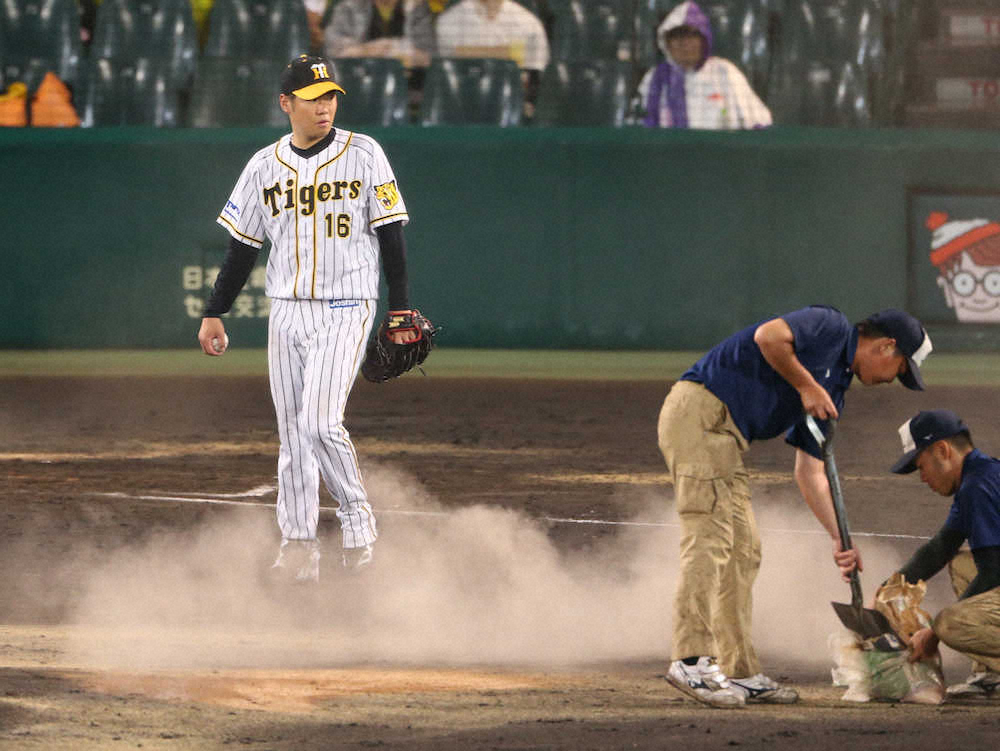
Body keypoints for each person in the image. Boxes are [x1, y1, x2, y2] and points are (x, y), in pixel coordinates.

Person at [197, 54, 419, 583]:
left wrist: (401, 305)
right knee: (293, 435)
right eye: (313, 97)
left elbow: (391, 234)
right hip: (287, 313)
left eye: (330, 96)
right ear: (286, 104)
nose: (325, 106)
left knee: (320, 422)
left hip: (347, 305)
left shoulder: (364, 153)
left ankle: (358, 526)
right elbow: (241, 249)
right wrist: (215, 312)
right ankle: (298, 547)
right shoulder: (262, 166)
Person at [657, 306, 932, 707]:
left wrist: (839, 538)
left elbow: (810, 470)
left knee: (744, 551)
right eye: (900, 369)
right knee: (710, 540)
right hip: (700, 413)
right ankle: (689, 658)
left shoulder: (834, 389)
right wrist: (806, 385)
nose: (894, 380)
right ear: (886, 345)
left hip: (726, 437)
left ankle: (739, 670)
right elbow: (768, 337)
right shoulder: (829, 326)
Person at [885, 409, 1000, 699]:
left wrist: (933, 634)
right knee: (962, 563)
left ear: (942, 450)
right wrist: (892, 587)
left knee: (950, 623)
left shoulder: (977, 486)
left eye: (921, 466)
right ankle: (993, 673)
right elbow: (942, 546)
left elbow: (994, 570)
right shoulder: (979, 474)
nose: (922, 478)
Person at [636, 1, 771, 130]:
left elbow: (760, 122)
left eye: (692, 35)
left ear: (704, 39)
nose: (685, 43)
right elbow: (640, 127)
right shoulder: (654, 79)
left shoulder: (725, 72)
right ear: (666, 43)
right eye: (677, 36)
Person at [433, 0, 550, 115]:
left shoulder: (530, 25)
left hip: (512, 112)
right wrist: (509, 53)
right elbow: (441, 82)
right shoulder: (448, 22)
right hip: (458, 111)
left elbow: (537, 81)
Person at [320, 0, 435, 68]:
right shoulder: (349, 7)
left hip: (408, 87)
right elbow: (333, 53)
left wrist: (389, 48)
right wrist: (372, 49)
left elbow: (429, 56)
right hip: (354, 82)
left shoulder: (417, 8)